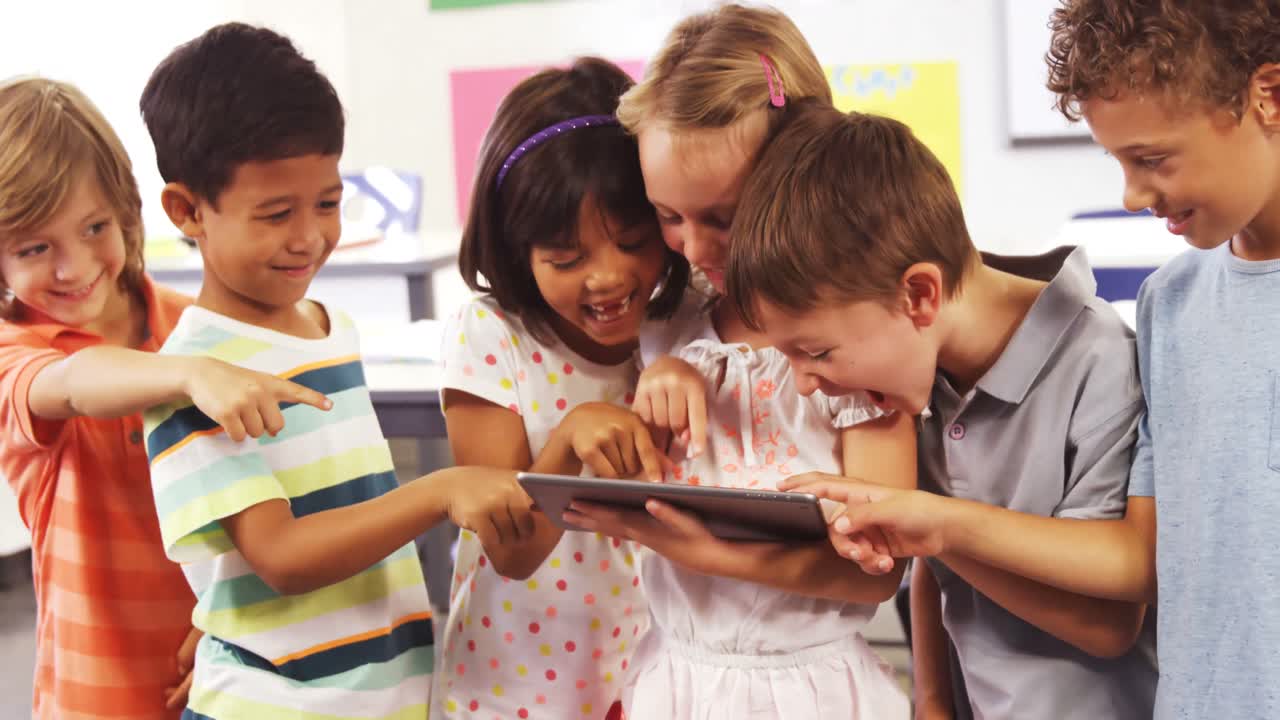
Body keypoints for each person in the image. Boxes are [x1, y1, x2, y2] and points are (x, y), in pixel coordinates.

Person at [726, 101, 1158, 718]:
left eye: (817, 352)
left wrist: (937, 525)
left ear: (919, 295)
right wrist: (930, 699)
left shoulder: (1102, 362)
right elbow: (934, 565)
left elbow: (1108, 625)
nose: (806, 385)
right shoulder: (918, 376)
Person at [138, 23, 518, 719]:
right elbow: (281, 556)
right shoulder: (197, 377)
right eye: (275, 213)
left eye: (328, 203)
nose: (309, 237)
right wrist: (438, 492)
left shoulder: (325, 326)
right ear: (187, 210)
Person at [0, 76, 324, 720]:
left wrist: (222, 617)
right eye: (35, 248)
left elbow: (266, 496)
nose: (74, 266)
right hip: (98, 693)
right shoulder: (17, 352)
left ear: (126, 211)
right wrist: (187, 374)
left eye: (94, 228)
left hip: (232, 674)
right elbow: (72, 383)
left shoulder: (194, 326)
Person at [435, 56, 690, 720]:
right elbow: (511, 550)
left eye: (633, 240)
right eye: (566, 259)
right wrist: (571, 439)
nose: (608, 278)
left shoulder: (682, 324)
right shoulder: (492, 336)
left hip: (657, 667)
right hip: (521, 681)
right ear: (518, 250)